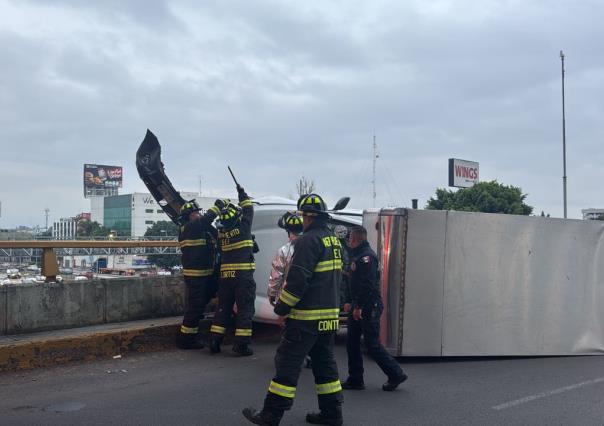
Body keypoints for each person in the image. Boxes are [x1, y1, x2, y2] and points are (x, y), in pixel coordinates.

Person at [243, 193, 344, 426]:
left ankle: (271, 414)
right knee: (325, 366)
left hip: (306, 318)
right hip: (328, 317)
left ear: (307, 217)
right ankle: (332, 413)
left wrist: (281, 307)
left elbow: (298, 280)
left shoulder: (307, 241)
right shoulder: (333, 240)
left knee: (288, 364)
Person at [342, 225, 408, 391]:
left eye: (350, 239)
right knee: (352, 343)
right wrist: (349, 301)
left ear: (355, 239)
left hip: (368, 305)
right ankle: (355, 379)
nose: (349, 241)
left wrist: (358, 306)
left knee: (372, 344)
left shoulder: (367, 257)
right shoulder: (356, 255)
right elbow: (353, 282)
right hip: (358, 305)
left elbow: (367, 285)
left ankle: (396, 374)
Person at [209, 184, 256, 356]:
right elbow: (249, 210)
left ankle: (215, 341)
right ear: (236, 217)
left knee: (223, 308)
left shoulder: (222, 233)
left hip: (225, 276)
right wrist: (242, 193)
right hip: (242, 277)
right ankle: (241, 345)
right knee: (245, 310)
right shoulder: (243, 229)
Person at [176, 200, 221, 349]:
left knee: (202, 303)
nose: (198, 214)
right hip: (196, 276)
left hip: (207, 274)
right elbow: (206, 219)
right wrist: (218, 207)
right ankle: (186, 340)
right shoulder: (188, 228)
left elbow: (217, 235)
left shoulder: (201, 228)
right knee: (195, 307)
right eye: (195, 213)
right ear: (188, 217)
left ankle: (193, 334)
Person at [267, 212, 303, 306]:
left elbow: (277, 275)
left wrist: (272, 294)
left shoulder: (284, 250)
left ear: (288, 231)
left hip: (287, 299)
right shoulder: (312, 247)